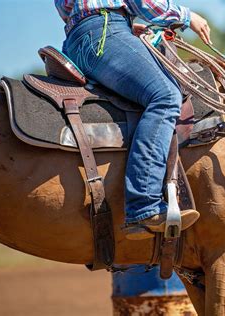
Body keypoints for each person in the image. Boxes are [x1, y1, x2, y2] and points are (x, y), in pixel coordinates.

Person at [54, 0, 211, 239]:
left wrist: (126, 24)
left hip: (78, 38)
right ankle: (143, 204)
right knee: (166, 96)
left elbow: (67, 9)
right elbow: (146, 4)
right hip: (106, 32)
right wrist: (188, 17)